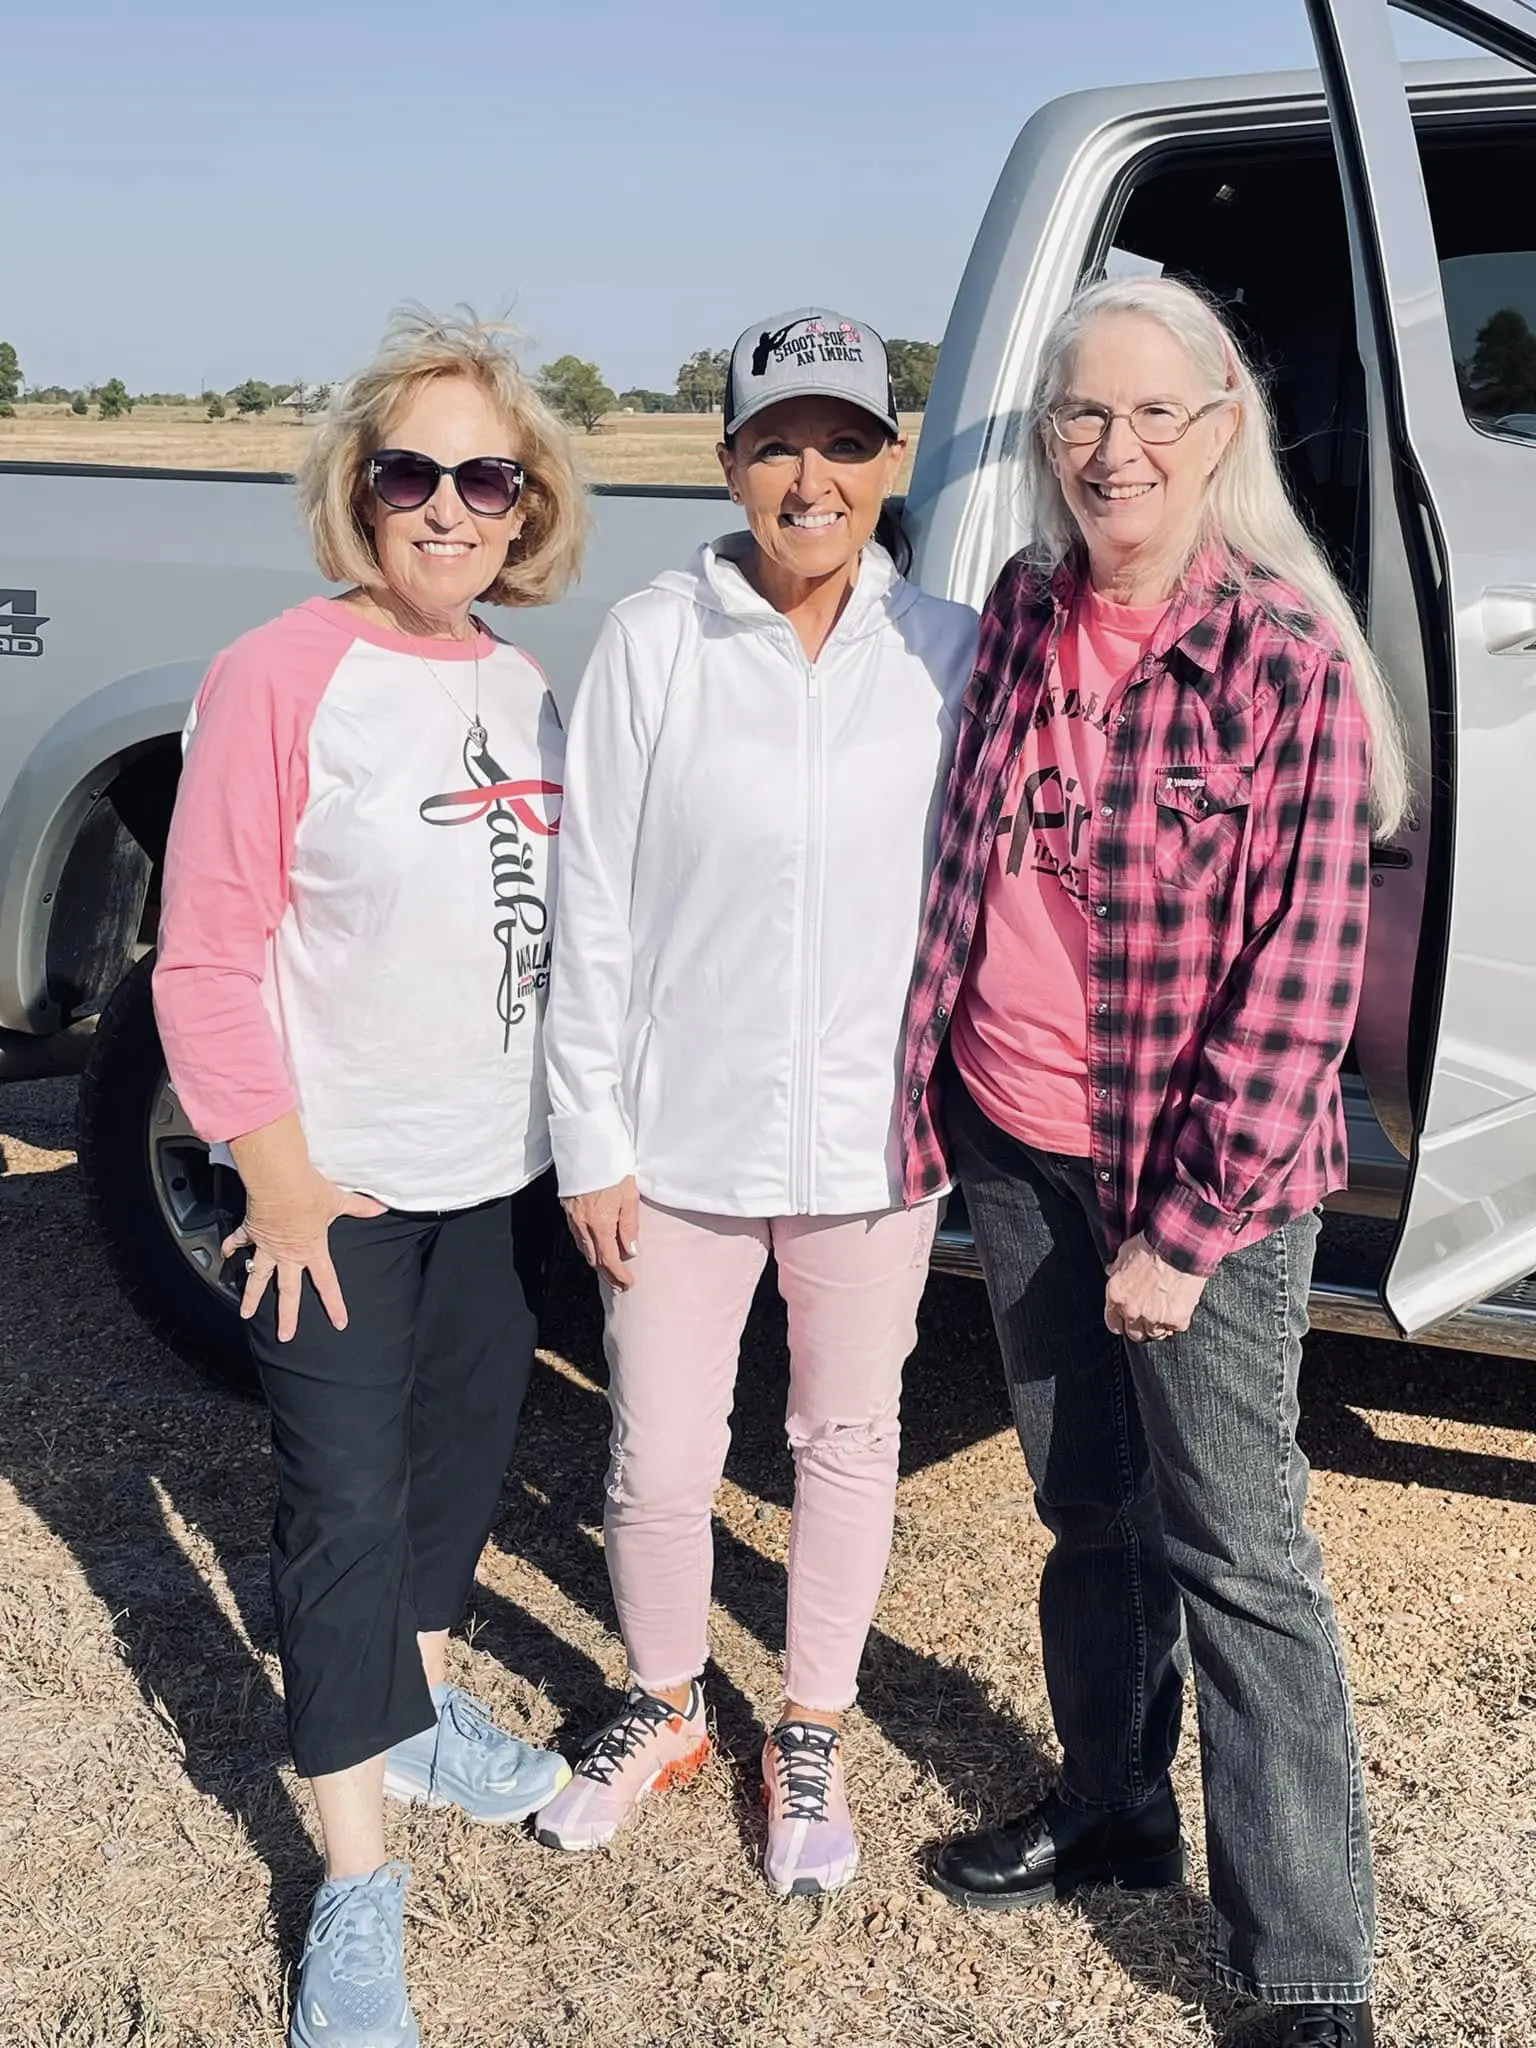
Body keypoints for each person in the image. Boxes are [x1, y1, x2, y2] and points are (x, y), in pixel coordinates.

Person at [899, 276, 1408, 2048]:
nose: (1114, 450)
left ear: (1219, 434)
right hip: (1022, 1143)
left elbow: (1300, 992)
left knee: (1242, 1554)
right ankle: (1114, 1808)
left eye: (1150, 416)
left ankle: (1302, 1975)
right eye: (1081, 417)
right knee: (1085, 1509)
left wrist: (1183, 1235)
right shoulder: (1023, 622)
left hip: (1201, 1188)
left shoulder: (1283, 661)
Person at [153, 310, 587, 2048]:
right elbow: (202, 954)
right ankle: (353, 1883)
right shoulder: (278, 674)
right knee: (338, 1519)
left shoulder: (524, 683)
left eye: (487, 476)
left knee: (453, 1478)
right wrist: (274, 1169)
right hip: (335, 1187)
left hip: (499, 1181)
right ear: (360, 486)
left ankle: (411, 1709)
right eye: (413, 471)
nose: (449, 506)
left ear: (527, 501)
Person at [533, 308, 979, 1897]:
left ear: (890, 460)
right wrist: (591, 1136)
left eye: (845, 441)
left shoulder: (951, 652)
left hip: (872, 1147)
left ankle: (808, 1726)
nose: (813, 474)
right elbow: (590, 909)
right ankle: (661, 1703)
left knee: (845, 1440)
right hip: (678, 1147)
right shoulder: (659, 640)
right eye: (779, 442)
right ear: (729, 463)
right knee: (658, 1457)